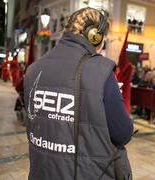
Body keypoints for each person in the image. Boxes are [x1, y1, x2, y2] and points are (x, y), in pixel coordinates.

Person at [24, 8, 133, 180]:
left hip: (41, 172)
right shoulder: (101, 71)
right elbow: (123, 133)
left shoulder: (33, 70)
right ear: (95, 36)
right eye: (104, 38)